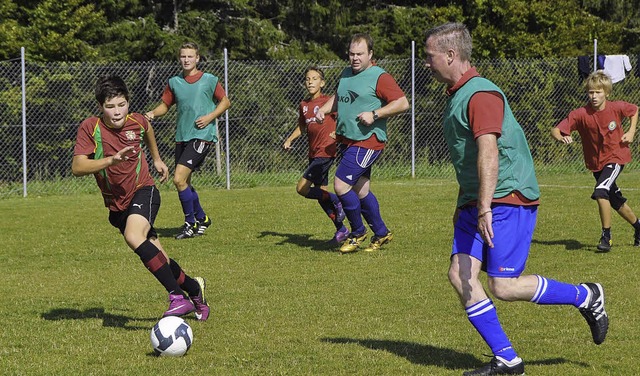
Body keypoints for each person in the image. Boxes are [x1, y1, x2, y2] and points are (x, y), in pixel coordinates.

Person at [424, 23, 608, 375]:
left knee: (504, 286)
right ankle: (507, 359)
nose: (427, 63)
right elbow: (468, 160)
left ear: (450, 55)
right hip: (477, 201)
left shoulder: (481, 94)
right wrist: (465, 204)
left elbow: (488, 152)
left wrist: (483, 208)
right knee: (460, 275)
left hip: (507, 197)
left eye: (430, 57)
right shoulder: (457, 94)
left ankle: (587, 296)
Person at [72, 75, 210, 320]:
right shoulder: (90, 127)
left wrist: (156, 159)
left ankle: (177, 298)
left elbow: (148, 130)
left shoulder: (136, 120)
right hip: (117, 207)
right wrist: (111, 160)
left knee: (133, 236)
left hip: (144, 191)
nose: (117, 112)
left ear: (128, 102)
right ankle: (193, 289)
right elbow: (78, 167)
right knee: (161, 259)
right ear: (100, 107)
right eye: (110, 106)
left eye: (121, 104)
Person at [316, 33, 410, 254]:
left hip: (368, 141)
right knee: (360, 190)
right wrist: (323, 109)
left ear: (370, 54)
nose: (355, 58)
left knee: (340, 185)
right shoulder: (347, 73)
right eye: (351, 53)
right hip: (348, 141)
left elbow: (402, 103)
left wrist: (375, 114)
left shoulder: (379, 76)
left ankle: (357, 233)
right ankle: (381, 232)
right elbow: (340, 98)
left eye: (360, 54)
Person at [145, 42, 231, 239]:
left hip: (202, 136)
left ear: (197, 58)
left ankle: (190, 223)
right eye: (183, 56)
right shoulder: (174, 82)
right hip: (182, 136)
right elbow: (165, 106)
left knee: (178, 179)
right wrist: (152, 113)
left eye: (190, 56)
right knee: (185, 183)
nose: (186, 60)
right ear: (179, 58)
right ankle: (202, 218)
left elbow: (225, 101)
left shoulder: (209, 80)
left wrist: (210, 117)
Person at [551, 70, 640, 252]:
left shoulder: (615, 108)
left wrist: (631, 132)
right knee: (616, 201)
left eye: (598, 92)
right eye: (591, 92)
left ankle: (606, 237)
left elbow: (634, 110)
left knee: (601, 192)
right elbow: (556, 130)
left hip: (616, 157)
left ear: (606, 93)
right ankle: (639, 227)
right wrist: (561, 137)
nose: (594, 96)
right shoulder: (580, 114)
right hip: (596, 164)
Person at [283, 66, 349, 243]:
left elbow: (344, 116)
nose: (310, 81)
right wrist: (290, 139)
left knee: (302, 188)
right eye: (307, 78)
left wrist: (338, 133)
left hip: (326, 152)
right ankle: (341, 230)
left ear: (322, 83)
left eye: (314, 78)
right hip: (313, 153)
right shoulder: (304, 105)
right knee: (321, 195)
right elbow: (302, 127)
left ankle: (338, 200)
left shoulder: (329, 102)